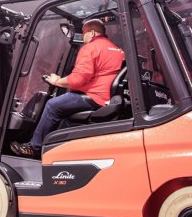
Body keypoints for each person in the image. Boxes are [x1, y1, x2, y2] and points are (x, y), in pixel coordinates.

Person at [11, 19, 125, 157]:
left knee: (52, 105)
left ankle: (35, 148)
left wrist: (57, 80)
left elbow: (78, 79)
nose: (83, 38)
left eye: (83, 34)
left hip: (94, 97)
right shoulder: (118, 50)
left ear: (92, 33)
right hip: (107, 97)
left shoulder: (91, 48)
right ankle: (57, 148)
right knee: (63, 111)